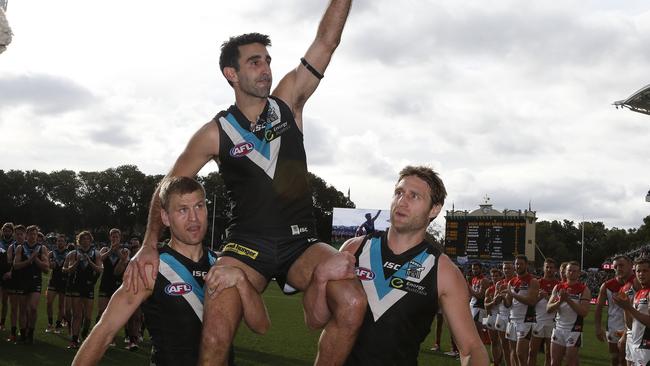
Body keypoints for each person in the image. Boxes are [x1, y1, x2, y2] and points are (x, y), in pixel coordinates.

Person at [123, 1, 366, 365]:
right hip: (246, 248)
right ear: (231, 74)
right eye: (255, 62)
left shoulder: (288, 102)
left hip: (300, 243)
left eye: (267, 60)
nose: (266, 69)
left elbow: (326, 41)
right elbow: (167, 188)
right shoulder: (215, 132)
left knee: (352, 301)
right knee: (218, 330)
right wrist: (148, 245)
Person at [72, 176, 269, 366]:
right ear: (165, 217)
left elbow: (261, 326)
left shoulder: (222, 264)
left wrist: (242, 280)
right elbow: (104, 333)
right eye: (183, 210)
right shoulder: (152, 267)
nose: (194, 218)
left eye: (199, 206)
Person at [313, 165, 489, 365]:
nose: (402, 201)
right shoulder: (353, 249)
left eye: (414, 196)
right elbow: (317, 320)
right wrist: (319, 280)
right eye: (399, 193)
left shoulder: (444, 271)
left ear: (434, 209)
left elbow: (471, 348)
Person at [63, 231, 103, 349]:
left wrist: (89, 261)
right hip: (76, 286)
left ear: (90, 241)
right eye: (83, 239)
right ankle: (74, 340)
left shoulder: (96, 253)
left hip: (89, 286)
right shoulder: (73, 253)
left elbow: (100, 270)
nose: (85, 241)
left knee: (88, 317)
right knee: (77, 315)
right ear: (79, 241)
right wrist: (77, 262)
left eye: (87, 239)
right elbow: (65, 270)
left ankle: (85, 331)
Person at [547, 261, 591, 366]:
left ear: (579, 273)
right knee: (554, 362)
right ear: (565, 272)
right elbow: (548, 309)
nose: (571, 273)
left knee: (570, 362)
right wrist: (560, 301)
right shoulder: (558, 287)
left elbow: (584, 312)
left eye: (574, 271)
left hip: (574, 330)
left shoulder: (584, 289)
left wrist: (568, 300)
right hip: (558, 329)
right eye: (569, 270)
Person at [595, 255, 635, 366]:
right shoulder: (607, 285)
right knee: (615, 359)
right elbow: (598, 307)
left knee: (626, 360)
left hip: (633, 328)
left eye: (621, 265)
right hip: (613, 326)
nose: (618, 268)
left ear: (631, 266)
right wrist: (598, 327)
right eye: (616, 266)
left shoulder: (637, 283)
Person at [13, 224, 50, 344]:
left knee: (33, 308)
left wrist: (36, 259)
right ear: (26, 235)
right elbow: (16, 265)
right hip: (22, 281)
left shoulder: (42, 248)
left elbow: (46, 268)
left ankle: (31, 334)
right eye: (30, 234)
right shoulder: (20, 248)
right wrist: (29, 260)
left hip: (35, 281)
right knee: (23, 309)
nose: (32, 236)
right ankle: (23, 334)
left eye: (35, 234)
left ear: (37, 235)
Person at [614, 257, 650, 366]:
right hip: (635, 344)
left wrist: (629, 308)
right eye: (638, 271)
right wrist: (626, 307)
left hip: (646, 346)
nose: (641, 274)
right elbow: (630, 325)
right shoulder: (638, 293)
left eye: (645, 271)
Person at [504, 255, 540, 366]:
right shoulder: (512, 282)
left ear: (526, 265)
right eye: (516, 264)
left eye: (521, 264)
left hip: (526, 320)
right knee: (513, 353)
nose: (518, 266)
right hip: (512, 319)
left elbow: (531, 301)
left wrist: (512, 294)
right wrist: (502, 298)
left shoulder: (532, 281)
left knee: (521, 354)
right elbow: (508, 304)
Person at [529, 258, 559, 366]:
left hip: (552, 322)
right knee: (532, 352)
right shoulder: (537, 283)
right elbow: (531, 302)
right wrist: (539, 297)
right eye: (547, 267)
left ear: (555, 269)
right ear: (543, 268)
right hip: (538, 320)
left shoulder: (558, 284)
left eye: (551, 267)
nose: (549, 269)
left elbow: (559, 305)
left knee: (549, 354)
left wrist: (547, 297)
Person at [46, 233, 68, 334]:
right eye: (58, 241)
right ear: (56, 242)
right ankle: (50, 323)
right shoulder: (51, 253)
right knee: (49, 302)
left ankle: (58, 324)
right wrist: (50, 265)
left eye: (62, 241)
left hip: (64, 282)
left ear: (65, 243)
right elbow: (47, 266)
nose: (60, 242)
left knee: (61, 305)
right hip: (53, 281)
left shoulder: (69, 253)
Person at [484, 268, 505, 366]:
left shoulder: (505, 287)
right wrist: (493, 302)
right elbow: (486, 306)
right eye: (493, 276)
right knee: (493, 341)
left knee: (503, 342)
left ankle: (500, 360)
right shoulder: (489, 289)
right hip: (492, 316)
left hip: (502, 317)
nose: (494, 278)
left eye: (496, 276)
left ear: (501, 276)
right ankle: (496, 362)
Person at [468, 261, 490, 344]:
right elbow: (473, 294)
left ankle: (480, 354)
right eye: (473, 269)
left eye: (476, 269)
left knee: (478, 332)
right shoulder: (474, 279)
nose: (474, 270)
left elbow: (481, 296)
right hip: (473, 306)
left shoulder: (484, 280)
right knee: (473, 331)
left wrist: (469, 289)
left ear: (481, 269)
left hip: (479, 307)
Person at [0, 222, 14, 331]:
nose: (6, 232)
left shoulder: (15, 244)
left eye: (8, 231)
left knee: (5, 301)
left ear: (12, 232)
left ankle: (2, 323)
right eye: (5, 230)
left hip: (8, 275)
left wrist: (10, 272)